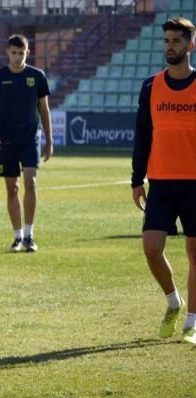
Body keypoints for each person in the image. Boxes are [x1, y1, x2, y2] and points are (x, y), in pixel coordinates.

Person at [131, 17, 196, 345]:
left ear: (190, 45)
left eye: (176, 41)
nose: (170, 46)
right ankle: (174, 302)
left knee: (195, 254)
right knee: (152, 248)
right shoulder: (150, 86)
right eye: (167, 41)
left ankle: (193, 323)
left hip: (195, 183)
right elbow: (142, 136)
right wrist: (136, 178)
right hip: (161, 182)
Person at [0, 34, 53, 253]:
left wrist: (50, 140)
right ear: (7, 53)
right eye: (13, 53)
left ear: (27, 53)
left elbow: (44, 109)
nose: (17, 57)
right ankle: (17, 237)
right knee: (12, 187)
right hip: (6, 140)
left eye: (21, 53)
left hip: (30, 139)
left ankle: (30, 235)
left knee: (30, 182)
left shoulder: (37, 76)